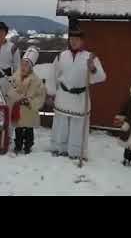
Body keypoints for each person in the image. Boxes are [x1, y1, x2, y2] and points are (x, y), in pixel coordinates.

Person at [50, 19, 106, 160]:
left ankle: (75, 152)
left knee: (77, 127)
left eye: (77, 39)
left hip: (80, 97)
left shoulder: (90, 57)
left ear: (82, 41)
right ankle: (59, 148)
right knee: (61, 124)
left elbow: (102, 77)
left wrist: (92, 68)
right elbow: (53, 75)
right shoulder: (61, 56)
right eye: (71, 39)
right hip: (63, 95)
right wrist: (52, 92)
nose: (73, 42)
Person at [7, 46, 46, 154]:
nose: (23, 67)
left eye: (26, 65)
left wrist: (31, 102)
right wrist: (17, 97)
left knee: (29, 129)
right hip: (18, 108)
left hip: (29, 109)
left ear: (31, 67)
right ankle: (18, 145)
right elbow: (10, 89)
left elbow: (40, 95)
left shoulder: (36, 80)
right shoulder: (15, 77)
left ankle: (28, 145)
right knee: (18, 128)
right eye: (22, 65)